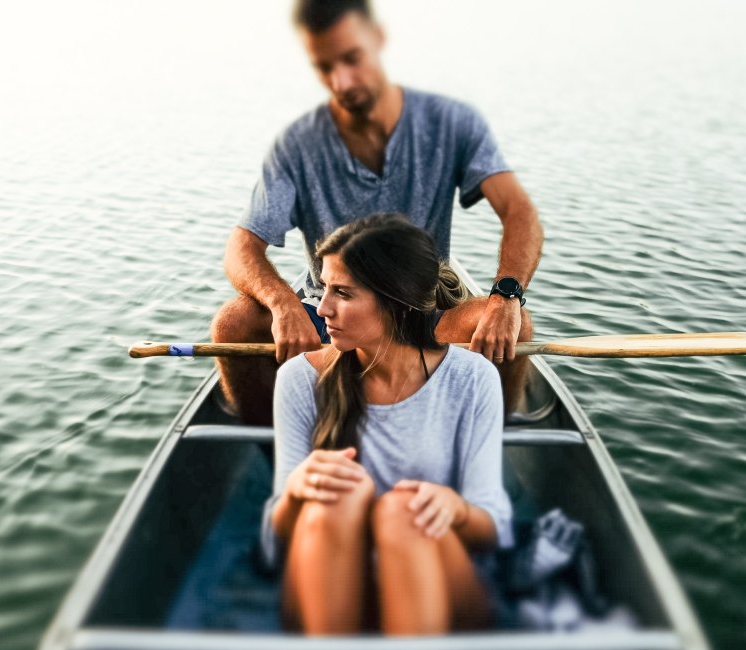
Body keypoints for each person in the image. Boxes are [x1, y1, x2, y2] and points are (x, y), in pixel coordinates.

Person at [211, 0, 543, 424]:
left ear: (378, 39)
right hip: (331, 312)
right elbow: (241, 246)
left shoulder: (451, 123)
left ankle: (493, 442)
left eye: (352, 58)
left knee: (516, 325)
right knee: (232, 324)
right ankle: (273, 447)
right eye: (325, 66)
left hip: (424, 312)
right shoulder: (297, 146)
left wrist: (506, 296)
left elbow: (519, 211)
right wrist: (281, 304)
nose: (343, 80)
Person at [263, 214, 513, 650]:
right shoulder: (300, 379)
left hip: (437, 600)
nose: (322, 309)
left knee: (404, 511)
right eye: (322, 290)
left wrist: (453, 508)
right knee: (336, 496)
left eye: (342, 294)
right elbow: (277, 536)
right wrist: (300, 489)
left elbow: (492, 528)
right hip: (325, 604)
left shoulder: (472, 379)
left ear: (396, 302)